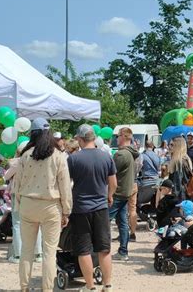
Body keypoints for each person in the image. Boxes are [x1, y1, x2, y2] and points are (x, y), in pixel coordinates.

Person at [14, 118, 72, 292]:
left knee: (26, 251)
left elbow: (18, 185)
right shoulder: (58, 156)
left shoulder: (25, 155)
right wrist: (66, 211)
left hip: (28, 204)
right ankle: (47, 289)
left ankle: (24, 288)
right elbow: (65, 186)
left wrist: (20, 204)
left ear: (32, 133)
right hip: (51, 206)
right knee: (49, 253)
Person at [69, 124, 117, 292]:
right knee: (104, 249)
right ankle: (108, 284)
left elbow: (67, 184)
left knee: (84, 250)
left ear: (81, 139)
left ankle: (90, 287)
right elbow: (113, 183)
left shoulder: (73, 158)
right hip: (101, 207)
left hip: (81, 208)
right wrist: (109, 195)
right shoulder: (106, 156)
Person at [4, 144, 42, 264]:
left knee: (17, 223)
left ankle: (18, 255)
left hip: (19, 194)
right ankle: (38, 254)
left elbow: (6, 176)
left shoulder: (18, 161)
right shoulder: (38, 160)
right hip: (34, 193)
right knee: (36, 223)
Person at [109, 127, 139, 261]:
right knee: (122, 223)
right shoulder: (131, 153)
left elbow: (110, 174)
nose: (116, 138)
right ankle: (123, 251)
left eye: (118, 135)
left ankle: (97, 251)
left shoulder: (121, 154)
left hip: (117, 193)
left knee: (103, 221)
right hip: (126, 192)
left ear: (124, 136)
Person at [168, 136, 193, 201]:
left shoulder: (178, 162)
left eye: (172, 145)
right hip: (184, 196)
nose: (169, 147)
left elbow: (177, 184)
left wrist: (171, 199)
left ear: (178, 147)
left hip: (179, 198)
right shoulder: (186, 159)